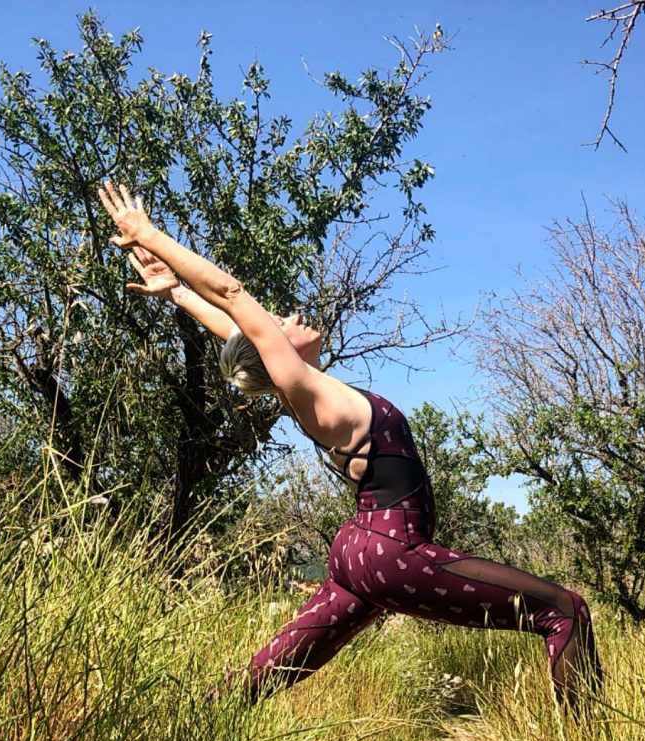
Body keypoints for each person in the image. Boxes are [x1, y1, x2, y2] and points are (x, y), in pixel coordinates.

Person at [98, 182, 602, 709]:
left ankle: (184, 725)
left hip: (360, 554)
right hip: (394, 552)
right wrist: (150, 236)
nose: (289, 316)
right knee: (563, 610)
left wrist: (175, 291)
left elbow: (232, 327)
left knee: (270, 671)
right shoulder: (305, 390)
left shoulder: (308, 395)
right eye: (278, 324)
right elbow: (232, 300)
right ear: (272, 352)